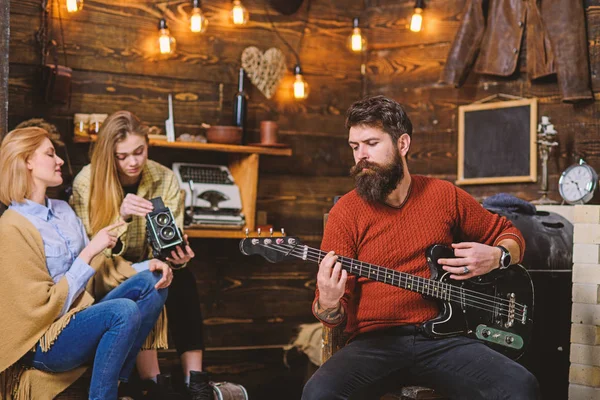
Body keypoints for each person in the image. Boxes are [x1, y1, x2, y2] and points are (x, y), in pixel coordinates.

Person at [302, 96, 540, 400]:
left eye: (371, 143)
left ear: (402, 144)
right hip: (375, 345)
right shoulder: (346, 213)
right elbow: (331, 315)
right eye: (354, 146)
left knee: (521, 386)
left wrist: (497, 256)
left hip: (447, 340)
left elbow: (510, 235)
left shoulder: (444, 196)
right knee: (318, 393)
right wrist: (330, 301)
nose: (361, 155)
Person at [0, 127, 172, 400]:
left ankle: (119, 383)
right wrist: (89, 251)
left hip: (82, 317)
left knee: (154, 283)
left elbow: (99, 271)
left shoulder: (63, 211)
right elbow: (37, 311)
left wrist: (148, 265)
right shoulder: (12, 227)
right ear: (27, 162)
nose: (59, 161)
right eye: (50, 153)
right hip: (46, 340)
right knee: (122, 311)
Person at [70, 111, 210, 400]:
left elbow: (170, 237)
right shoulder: (88, 180)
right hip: (105, 270)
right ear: (109, 155)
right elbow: (88, 250)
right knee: (151, 281)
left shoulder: (164, 178)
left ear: (148, 146)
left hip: (151, 263)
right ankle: (152, 379)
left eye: (139, 152)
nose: (133, 162)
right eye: (122, 156)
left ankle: (194, 380)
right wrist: (120, 216)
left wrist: (177, 256)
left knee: (181, 277)